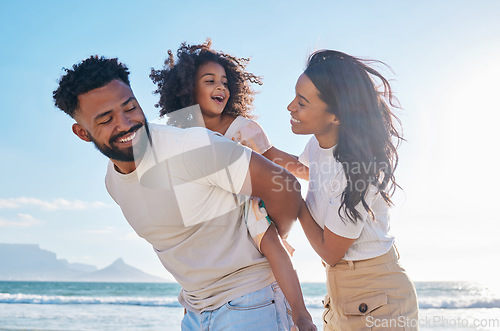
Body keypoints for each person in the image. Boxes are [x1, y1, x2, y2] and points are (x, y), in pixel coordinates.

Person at [53, 55, 304, 330]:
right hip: (194, 312)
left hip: (249, 304)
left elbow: (285, 185)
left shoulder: (191, 147)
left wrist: (266, 238)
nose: (125, 123)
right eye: (105, 119)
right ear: (82, 132)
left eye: (130, 107)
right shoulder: (113, 182)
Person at [150, 40, 315, 331]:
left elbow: (275, 159)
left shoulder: (240, 127)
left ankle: (301, 315)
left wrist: (320, 174)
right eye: (210, 80)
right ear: (188, 88)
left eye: (224, 82)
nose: (220, 87)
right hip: (206, 213)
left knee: (272, 245)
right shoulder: (177, 127)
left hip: (245, 203)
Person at [287, 50, 419, 330]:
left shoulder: (359, 172)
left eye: (302, 102)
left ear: (335, 115)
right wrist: (256, 148)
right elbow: (309, 172)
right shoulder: (319, 145)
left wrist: (294, 202)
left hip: (378, 301)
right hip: (341, 296)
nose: (290, 107)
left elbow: (330, 251)